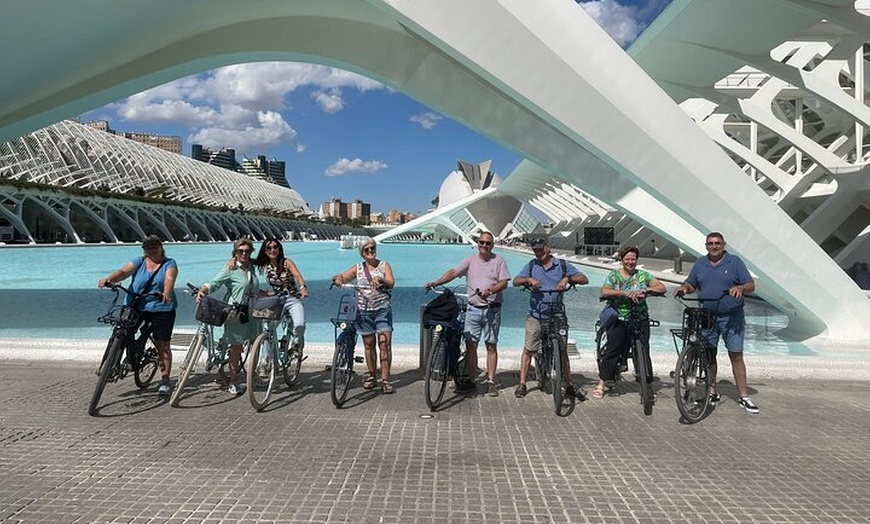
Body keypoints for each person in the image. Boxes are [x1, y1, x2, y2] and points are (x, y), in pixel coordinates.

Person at [674, 232, 759, 414]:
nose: (714, 246)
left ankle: (744, 396)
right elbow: (691, 284)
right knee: (709, 356)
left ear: (724, 245)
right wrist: (683, 289)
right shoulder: (700, 263)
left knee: (736, 354)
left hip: (731, 317)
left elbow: (751, 285)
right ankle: (712, 392)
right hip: (706, 316)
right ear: (706, 246)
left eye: (717, 243)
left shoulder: (734, 262)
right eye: (711, 243)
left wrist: (740, 287)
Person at [424, 231, 510, 396]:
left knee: (491, 345)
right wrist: (436, 282)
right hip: (473, 309)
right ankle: (471, 380)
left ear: (492, 245)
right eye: (482, 242)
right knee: (471, 345)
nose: (484, 246)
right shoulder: (470, 260)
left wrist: (490, 290)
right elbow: (453, 272)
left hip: (492, 309)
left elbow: (504, 282)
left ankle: (491, 381)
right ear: (478, 243)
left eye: (488, 243)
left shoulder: (498, 261)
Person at [98, 235, 178, 398]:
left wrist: (166, 292)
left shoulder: (169, 263)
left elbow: (170, 278)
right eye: (148, 247)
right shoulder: (139, 261)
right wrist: (109, 279)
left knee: (162, 344)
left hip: (160, 307)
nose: (151, 249)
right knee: (122, 330)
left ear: (161, 247)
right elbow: (123, 272)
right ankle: (117, 362)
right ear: (144, 249)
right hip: (135, 305)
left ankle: (165, 381)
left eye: (154, 246)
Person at [512, 238, 588, 399]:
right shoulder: (532, 265)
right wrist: (529, 279)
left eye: (541, 249)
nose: (538, 252)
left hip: (557, 313)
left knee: (562, 350)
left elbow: (584, 279)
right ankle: (522, 383)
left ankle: (569, 385)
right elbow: (516, 281)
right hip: (536, 314)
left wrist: (567, 279)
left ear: (548, 249)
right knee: (529, 348)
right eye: (536, 250)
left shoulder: (562, 265)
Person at [592, 246, 666, 399]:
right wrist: (623, 293)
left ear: (637, 260)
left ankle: (647, 385)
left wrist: (645, 290)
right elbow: (605, 291)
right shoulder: (615, 276)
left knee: (644, 352)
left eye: (633, 259)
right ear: (622, 259)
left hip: (640, 318)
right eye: (627, 259)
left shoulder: (643, 276)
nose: (630, 262)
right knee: (613, 350)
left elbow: (661, 287)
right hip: (621, 317)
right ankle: (601, 382)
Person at [332, 238, 396, 394]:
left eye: (372, 248)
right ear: (362, 252)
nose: (370, 251)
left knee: (384, 344)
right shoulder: (358, 268)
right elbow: (344, 276)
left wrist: (380, 279)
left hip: (382, 310)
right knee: (368, 345)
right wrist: (338, 280)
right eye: (366, 249)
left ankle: (386, 379)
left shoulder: (384, 265)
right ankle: (373, 376)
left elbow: (391, 282)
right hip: (363, 311)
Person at [197, 239, 260, 396]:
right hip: (236, 311)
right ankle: (233, 381)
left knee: (255, 342)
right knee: (236, 346)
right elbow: (215, 282)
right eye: (240, 251)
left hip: (251, 311)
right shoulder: (231, 268)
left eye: (247, 251)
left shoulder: (251, 266)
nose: (244, 253)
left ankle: (252, 373)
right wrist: (203, 291)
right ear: (235, 253)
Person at [254, 238, 308, 356]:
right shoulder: (264, 264)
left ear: (279, 249)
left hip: (293, 299)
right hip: (277, 300)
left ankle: (296, 344)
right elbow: (245, 262)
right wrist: (233, 260)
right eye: (269, 248)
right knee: (268, 330)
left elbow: (298, 276)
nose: (272, 250)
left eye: (275, 247)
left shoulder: (286, 262)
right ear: (265, 250)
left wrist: (303, 287)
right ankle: (265, 360)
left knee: (300, 324)